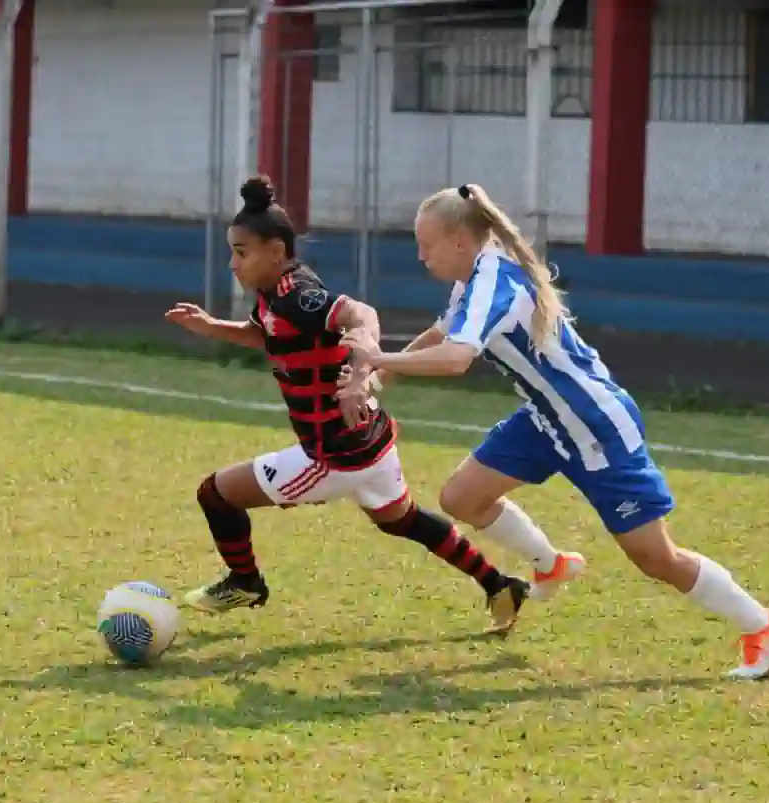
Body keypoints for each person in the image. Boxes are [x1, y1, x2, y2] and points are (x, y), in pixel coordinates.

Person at [336, 183, 769, 680]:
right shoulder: (477, 276)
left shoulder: (492, 283)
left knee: (656, 558)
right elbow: (443, 334)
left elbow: (456, 358)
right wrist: (380, 378)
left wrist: (377, 358)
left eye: (427, 244)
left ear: (461, 243)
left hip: (594, 425)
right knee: (462, 498)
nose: (420, 255)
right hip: (546, 419)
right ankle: (550, 563)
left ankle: (762, 626)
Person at [164, 175, 542, 634]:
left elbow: (361, 314)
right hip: (371, 442)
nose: (232, 263)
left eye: (241, 253)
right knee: (402, 521)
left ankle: (245, 581)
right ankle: (500, 584)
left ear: (277, 254)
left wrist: (362, 364)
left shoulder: (297, 295)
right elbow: (266, 334)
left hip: (334, 453)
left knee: (215, 494)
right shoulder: (273, 298)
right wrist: (211, 326)